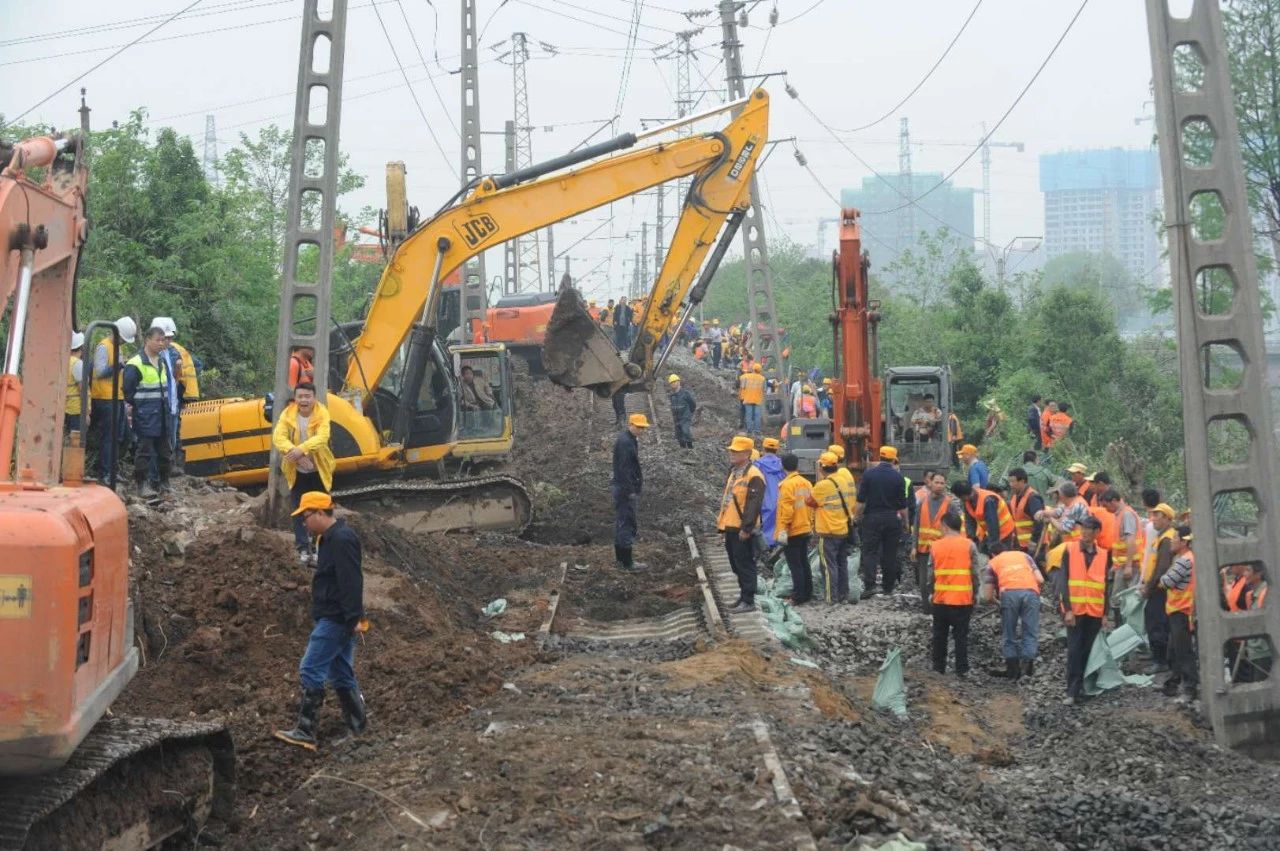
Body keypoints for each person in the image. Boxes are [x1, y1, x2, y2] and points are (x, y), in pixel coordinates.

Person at [275, 492, 367, 750]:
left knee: (310, 668)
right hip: (335, 615)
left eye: (305, 517)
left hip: (336, 617)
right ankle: (358, 728)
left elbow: (351, 580)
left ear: (318, 513)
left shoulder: (341, 539)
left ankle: (305, 730)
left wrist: (353, 618)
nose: (303, 523)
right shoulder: (328, 539)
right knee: (340, 673)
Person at [273, 382, 336, 564]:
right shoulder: (288, 414)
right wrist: (298, 456)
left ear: (314, 398)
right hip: (297, 472)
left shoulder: (321, 413)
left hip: (318, 470)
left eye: (307, 396)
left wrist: (301, 450)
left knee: (322, 511)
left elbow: (322, 437)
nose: (304, 400)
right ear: (295, 398)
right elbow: (278, 437)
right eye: (300, 396)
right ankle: (303, 549)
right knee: (298, 511)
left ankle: (320, 550)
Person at [1059, 515, 1113, 705]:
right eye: (1082, 529)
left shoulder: (1104, 554)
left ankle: (1084, 686)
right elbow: (1063, 583)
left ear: (1097, 532)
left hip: (1095, 612)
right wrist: (1067, 609)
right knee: (1074, 650)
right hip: (1076, 610)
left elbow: (1106, 585)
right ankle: (1072, 691)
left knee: (1089, 650)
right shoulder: (1070, 550)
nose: (1084, 532)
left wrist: (1105, 613)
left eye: (1088, 529)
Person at [123, 324, 177, 498]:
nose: (161, 343)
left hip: (162, 414)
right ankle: (142, 485)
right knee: (144, 451)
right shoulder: (135, 363)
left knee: (165, 452)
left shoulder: (161, 361)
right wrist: (140, 407)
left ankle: (163, 484)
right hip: (145, 415)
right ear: (147, 340)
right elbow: (128, 391)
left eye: (163, 340)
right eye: (158, 340)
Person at [927, 513, 980, 676]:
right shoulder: (969, 545)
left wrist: (931, 592)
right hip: (963, 600)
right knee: (961, 637)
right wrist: (975, 593)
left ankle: (938, 668)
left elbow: (931, 574)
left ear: (945, 526)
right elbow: (975, 574)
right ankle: (961, 670)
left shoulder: (935, 546)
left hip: (941, 599)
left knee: (939, 635)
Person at [1147, 525, 1196, 700]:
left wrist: (1163, 579)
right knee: (1174, 650)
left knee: (1183, 651)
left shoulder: (1184, 561)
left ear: (1183, 542)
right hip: (1179, 609)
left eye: (1175, 538)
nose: (1172, 541)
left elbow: (1166, 581)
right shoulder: (1186, 558)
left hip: (1181, 610)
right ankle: (1173, 683)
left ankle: (1189, 689)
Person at [718, 435, 766, 613]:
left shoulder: (754, 475)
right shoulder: (734, 472)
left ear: (747, 453)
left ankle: (749, 599)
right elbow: (728, 500)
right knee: (735, 562)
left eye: (736, 451)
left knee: (745, 563)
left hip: (741, 528)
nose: (732, 453)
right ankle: (743, 595)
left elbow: (753, 505)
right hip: (730, 525)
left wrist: (746, 528)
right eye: (732, 450)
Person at [982, 547, 1045, 680]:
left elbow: (987, 596)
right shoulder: (1025, 556)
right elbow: (1040, 580)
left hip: (1009, 594)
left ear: (993, 553)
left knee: (1009, 632)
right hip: (1031, 593)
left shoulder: (993, 562)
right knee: (1030, 631)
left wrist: (998, 602)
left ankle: (1012, 671)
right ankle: (1027, 671)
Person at [855, 446, 909, 598]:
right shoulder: (898, 477)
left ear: (880, 457)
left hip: (872, 518)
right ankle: (888, 588)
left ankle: (870, 585)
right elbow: (903, 506)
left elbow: (860, 501)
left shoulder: (869, 474)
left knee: (870, 552)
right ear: (893, 459)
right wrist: (906, 523)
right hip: (892, 519)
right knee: (890, 554)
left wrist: (856, 517)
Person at [89, 316, 137, 483]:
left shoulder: (117, 348)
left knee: (121, 436)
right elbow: (100, 371)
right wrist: (119, 366)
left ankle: (112, 470)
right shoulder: (104, 347)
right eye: (123, 339)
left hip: (116, 397)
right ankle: (105, 474)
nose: (124, 342)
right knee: (109, 437)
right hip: (104, 398)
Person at [808, 451, 851, 604]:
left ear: (821, 467)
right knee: (842, 564)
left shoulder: (822, 485)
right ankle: (844, 595)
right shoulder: (843, 480)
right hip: (842, 529)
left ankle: (831, 598)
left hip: (827, 531)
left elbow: (809, 501)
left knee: (828, 566)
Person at [1141, 502, 1179, 674]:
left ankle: (1160, 660)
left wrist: (1149, 588)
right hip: (1157, 587)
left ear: (1166, 518)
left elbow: (1161, 568)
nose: (1153, 519)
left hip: (1160, 589)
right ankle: (1159, 657)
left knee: (1156, 622)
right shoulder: (1162, 536)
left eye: (1156, 516)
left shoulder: (1167, 539)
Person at [774, 453, 815, 605]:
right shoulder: (806, 483)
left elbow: (787, 510)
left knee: (795, 564)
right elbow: (811, 505)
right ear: (797, 465)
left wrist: (783, 529)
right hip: (805, 527)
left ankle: (798, 596)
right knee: (804, 562)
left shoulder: (786, 485)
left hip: (793, 530)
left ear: (782, 466)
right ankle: (807, 592)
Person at [611, 413, 649, 572]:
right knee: (627, 523)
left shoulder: (628, 439)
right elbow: (624, 470)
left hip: (621, 488)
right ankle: (627, 563)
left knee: (623, 523)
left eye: (643, 428)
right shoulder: (626, 443)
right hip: (625, 490)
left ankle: (621, 560)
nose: (641, 430)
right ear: (631, 425)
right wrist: (630, 491)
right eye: (638, 427)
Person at [914, 471, 954, 599]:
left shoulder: (949, 504)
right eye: (936, 482)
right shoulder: (922, 502)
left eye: (942, 483)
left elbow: (954, 528)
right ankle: (927, 609)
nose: (939, 485)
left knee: (940, 580)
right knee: (924, 581)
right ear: (930, 483)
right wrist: (914, 547)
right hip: (924, 549)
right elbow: (916, 525)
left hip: (942, 550)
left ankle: (939, 606)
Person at [951, 480, 1016, 555]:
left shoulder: (988, 500)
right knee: (982, 551)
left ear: (962, 496)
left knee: (1002, 557)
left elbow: (992, 524)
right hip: (990, 532)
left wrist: (994, 545)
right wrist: (972, 539)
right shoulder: (967, 501)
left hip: (1004, 531)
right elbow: (969, 521)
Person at [1237, 564, 1272, 682]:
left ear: (1259, 574)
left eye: (1248, 570)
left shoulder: (1267, 593)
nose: (1244, 574)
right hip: (1254, 651)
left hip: (1264, 651)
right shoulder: (1251, 595)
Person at [754, 437, 785, 547]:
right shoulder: (782, 464)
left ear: (763, 448)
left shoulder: (758, 464)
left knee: (765, 521)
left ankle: (767, 545)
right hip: (781, 498)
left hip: (764, 499)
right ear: (777, 449)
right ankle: (778, 543)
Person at [1007, 468, 1045, 555]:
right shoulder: (1015, 497)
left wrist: (1034, 541)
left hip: (1035, 545)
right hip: (1022, 545)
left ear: (1022, 481)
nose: (1010, 485)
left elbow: (1039, 522)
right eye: (1010, 482)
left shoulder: (1032, 497)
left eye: (1013, 482)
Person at [666, 374, 697, 449]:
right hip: (676, 418)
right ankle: (682, 449)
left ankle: (690, 447)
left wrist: (689, 413)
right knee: (679, 434)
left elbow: (692, 404)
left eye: (674, 382)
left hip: (685, 416)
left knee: (685, 431)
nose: (673, 384)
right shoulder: (672, 396)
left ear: (679, 382)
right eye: (671, 383)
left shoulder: (686, 393)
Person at [66, 331, 85, 437]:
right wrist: (86, 413)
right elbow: (82, 389)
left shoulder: (65, 361)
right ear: (81, 347)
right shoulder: (77, 364)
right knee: (76, 440)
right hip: (76, 409)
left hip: (67, 407)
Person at [739, 363, 765, 438]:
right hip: (757, 399)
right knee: (757, 415)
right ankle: (757, 430)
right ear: (760, 370)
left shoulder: (746, 376)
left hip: (748, 398)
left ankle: (749, 430)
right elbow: (764, 389)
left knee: (749, 415)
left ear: (753, 369)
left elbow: (742, 385)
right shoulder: (762, 378)